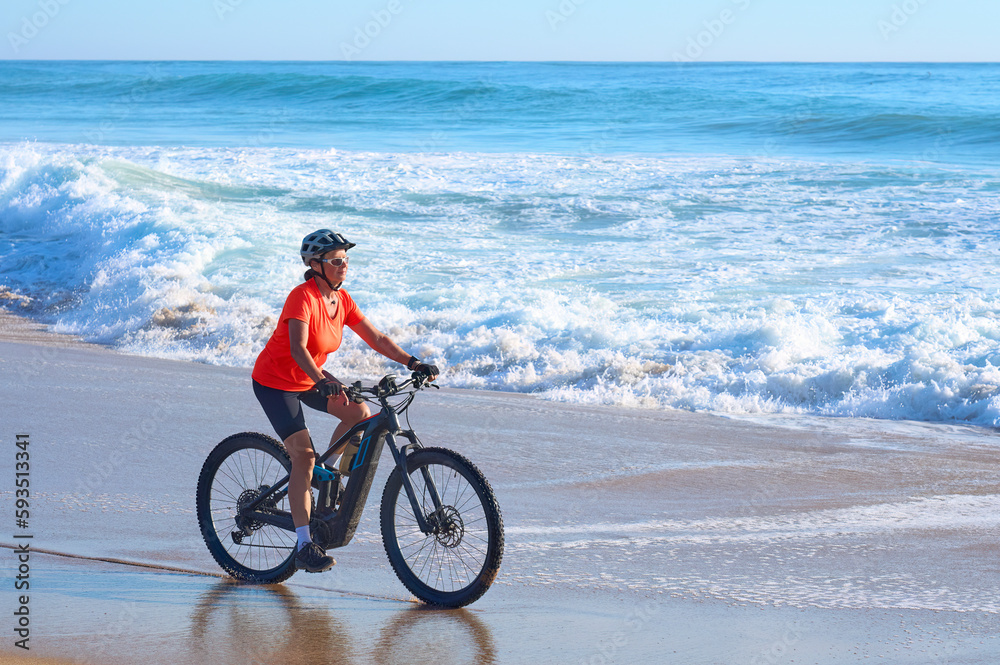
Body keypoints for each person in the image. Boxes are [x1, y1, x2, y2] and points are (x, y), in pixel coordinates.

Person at [251, 229, 439, 573]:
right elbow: (298, 349)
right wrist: (324, 380)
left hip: (310, 379)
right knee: (304, 456)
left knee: (360, 413)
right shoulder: (302, 297)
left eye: (346, 260)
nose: (344, 266)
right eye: (337, 261)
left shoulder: (342, 300)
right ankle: (305, 545)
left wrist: (413, 362)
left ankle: (329, 473)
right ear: (315, 264)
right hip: (276, 383)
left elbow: (377, 338)